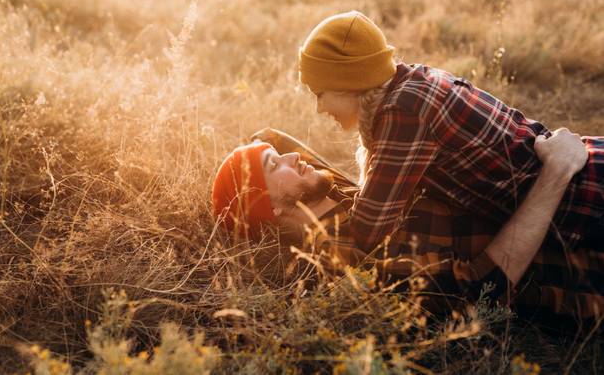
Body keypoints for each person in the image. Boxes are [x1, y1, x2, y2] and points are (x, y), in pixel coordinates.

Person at [297, 10, 604, 262]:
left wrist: (299, 220)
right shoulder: (412, 82)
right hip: (588, 171)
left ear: (349, 82)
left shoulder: (405, 111)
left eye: (320, 93)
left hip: (586, 199)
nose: (320, 108)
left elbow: (368, 230)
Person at [211, 127, 603, 321]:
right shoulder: (349, 257)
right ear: (272, 211)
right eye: (274, 164)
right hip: (582, 259)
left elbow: (269, 134)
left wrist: (265, 151)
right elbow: (482, 289)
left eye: (281, 154)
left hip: (583, 186)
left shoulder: (340, 193)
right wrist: (557, 171)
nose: (294, 156)